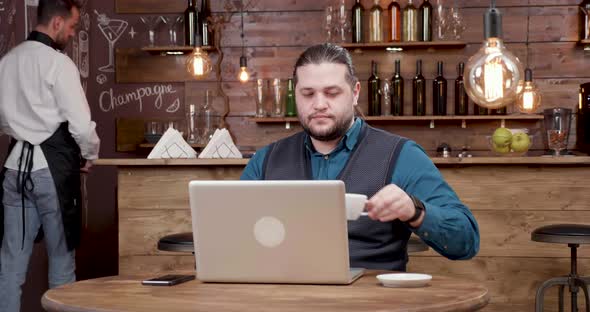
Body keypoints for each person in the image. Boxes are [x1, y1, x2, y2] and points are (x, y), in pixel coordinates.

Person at [241, 43, 479, 271]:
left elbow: (466, 240)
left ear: (355, 93)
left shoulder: (402, 155)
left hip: (372, 300)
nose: (319, 104)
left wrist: (415, 211)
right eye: (308, 94)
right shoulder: (266, 161)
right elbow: (232, 236)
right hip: (285, 297)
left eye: (332, 93)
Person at [0, 1, 100, 311]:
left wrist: (23, 129)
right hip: (51, 173)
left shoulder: (6, 62)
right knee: (61, 259)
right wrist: (89, 154)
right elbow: (82, 126)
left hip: (15, 169)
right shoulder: (59, 64)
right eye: (71, 26)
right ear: (56, 22)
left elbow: (4, 120)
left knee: (11, 264)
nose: (72, 33)